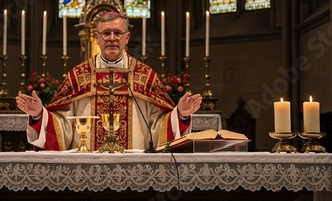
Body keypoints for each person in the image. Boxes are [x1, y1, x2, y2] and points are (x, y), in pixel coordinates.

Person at [16, 12, 203, 151]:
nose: (112, 38)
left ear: (126, 37)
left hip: (135, 164)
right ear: (97, 38)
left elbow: (158, 125)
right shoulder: (80, 75)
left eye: (117, 33)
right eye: (106, 33)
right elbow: (63, 125)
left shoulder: (144, 75)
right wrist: (40, 115)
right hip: (87, 165)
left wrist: (180, 115)